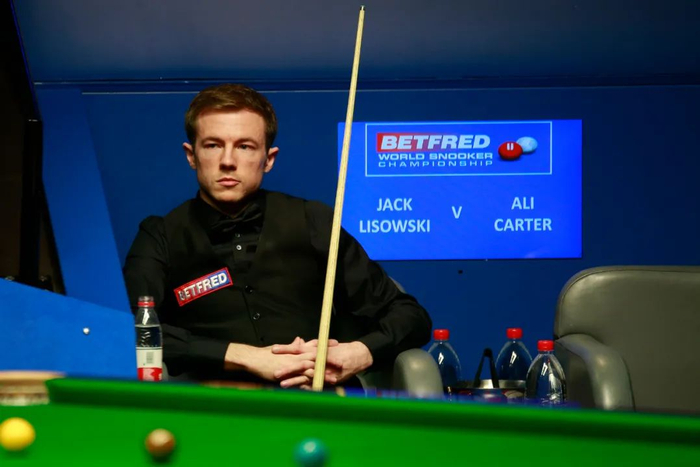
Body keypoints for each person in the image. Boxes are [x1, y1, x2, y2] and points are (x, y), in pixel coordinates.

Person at [123, 84, 432, 389]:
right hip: (216, 407)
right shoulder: (160, 235)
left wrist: (358, 353)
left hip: (319, 402)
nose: (228, 160)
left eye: (245, 146)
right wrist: (246, 357)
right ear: (191, 155)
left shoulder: (314, 220)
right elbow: (131, 328)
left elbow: (411, 316)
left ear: (268, 159)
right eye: (213, 145)